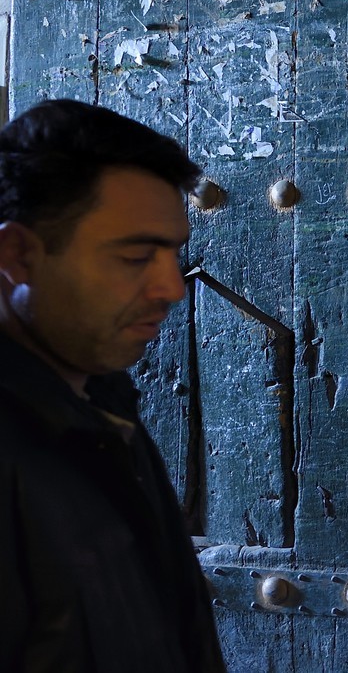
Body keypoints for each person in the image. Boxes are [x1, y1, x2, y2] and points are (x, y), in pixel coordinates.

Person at [0, 99, 226, 672]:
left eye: (173, 254)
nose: (173, 289)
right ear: (17, 256)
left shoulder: (103, 408)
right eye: (134, 257)